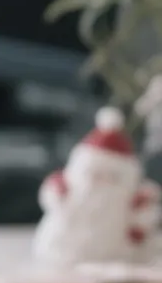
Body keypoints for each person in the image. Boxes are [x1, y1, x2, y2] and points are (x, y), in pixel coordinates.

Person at [32, 108, 162, 268]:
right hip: (61, 256)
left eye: (112, 176)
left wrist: (141, 222)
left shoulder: (134, 199)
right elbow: (51, 195)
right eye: (96, 175)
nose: (104, 181)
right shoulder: (65, 187)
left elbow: (142, 224)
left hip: (118, 261)